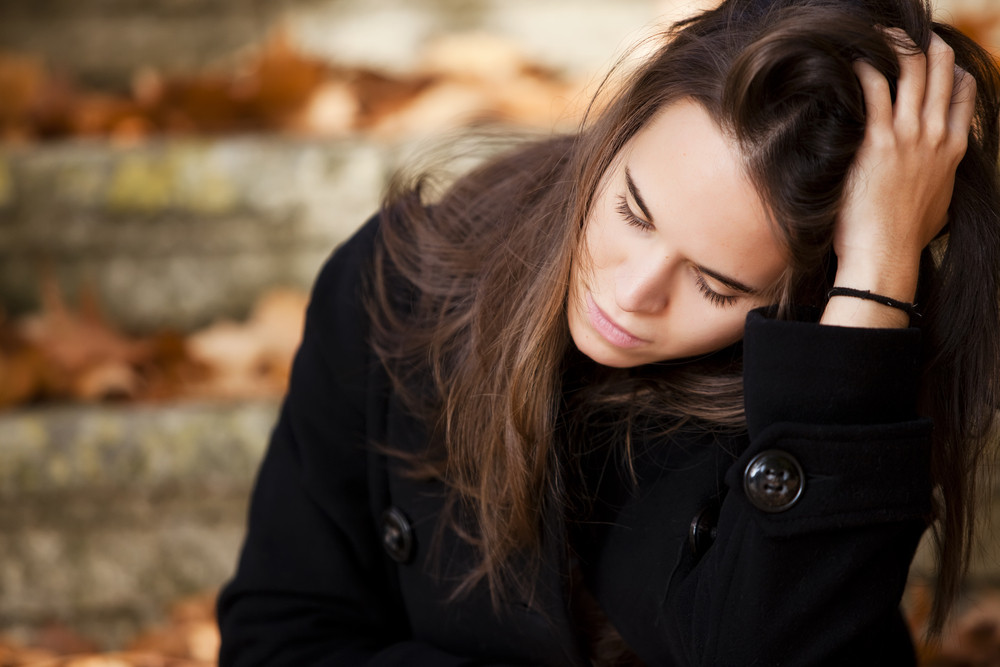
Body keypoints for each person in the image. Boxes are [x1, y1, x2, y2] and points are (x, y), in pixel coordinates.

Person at [216, 0, 1000, 663]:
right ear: (620, 127)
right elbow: (280, 636)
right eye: (632, 210)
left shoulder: (824, 383)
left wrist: (877, 279)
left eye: (715, 283)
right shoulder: (402, 289)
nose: (632, 293)